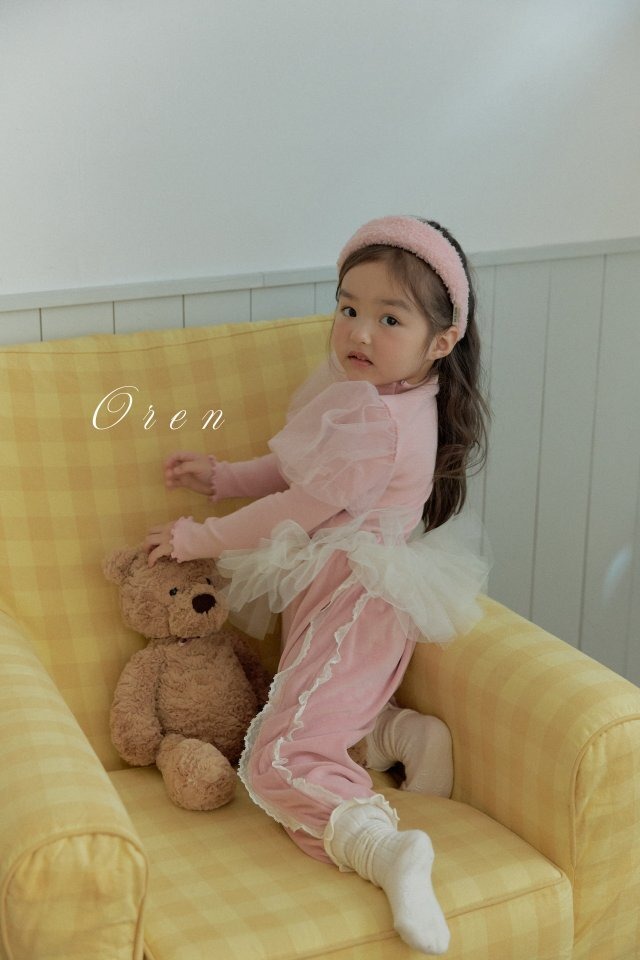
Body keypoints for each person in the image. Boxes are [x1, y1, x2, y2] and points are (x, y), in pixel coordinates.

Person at [145, 215, 490, 955]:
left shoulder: (381, 421)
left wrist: (198, 539)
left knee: (274, 757)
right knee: (317, 698)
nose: (358, 332)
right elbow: (301, 463)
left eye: (389, 318)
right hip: (335, 582)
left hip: (356, 595)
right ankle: (399, 733)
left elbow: (299, 506)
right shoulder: (380, 394)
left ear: (441, 340)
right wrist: (225, 477)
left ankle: (384, 849)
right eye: (348, 308)